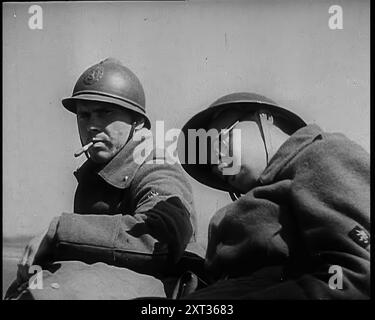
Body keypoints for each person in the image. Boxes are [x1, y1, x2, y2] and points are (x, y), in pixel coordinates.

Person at [5, 58, 204, 300]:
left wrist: (58, 232)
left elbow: (160, 239)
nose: (92, 126)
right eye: (84, 115)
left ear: (137, 122)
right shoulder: (96, 175)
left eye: (105, 113)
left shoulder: (155, 167)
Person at [177, 92, 370, 299]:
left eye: (219, 143)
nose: (216, 165)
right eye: (210, 161)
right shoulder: (262, 197)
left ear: (265, 118)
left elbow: (356, 276)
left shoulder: (321, 156)